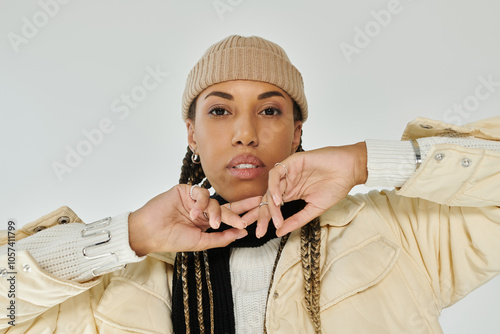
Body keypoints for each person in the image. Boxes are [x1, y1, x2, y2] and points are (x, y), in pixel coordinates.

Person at [1, 35, 500, 334]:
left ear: (297, 132)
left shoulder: (399, 235)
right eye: (219, 111)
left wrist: (365, 162)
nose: (246, 132)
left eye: (270, 110)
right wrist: (127, 237)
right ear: (191, 134)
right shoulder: (123, 283)